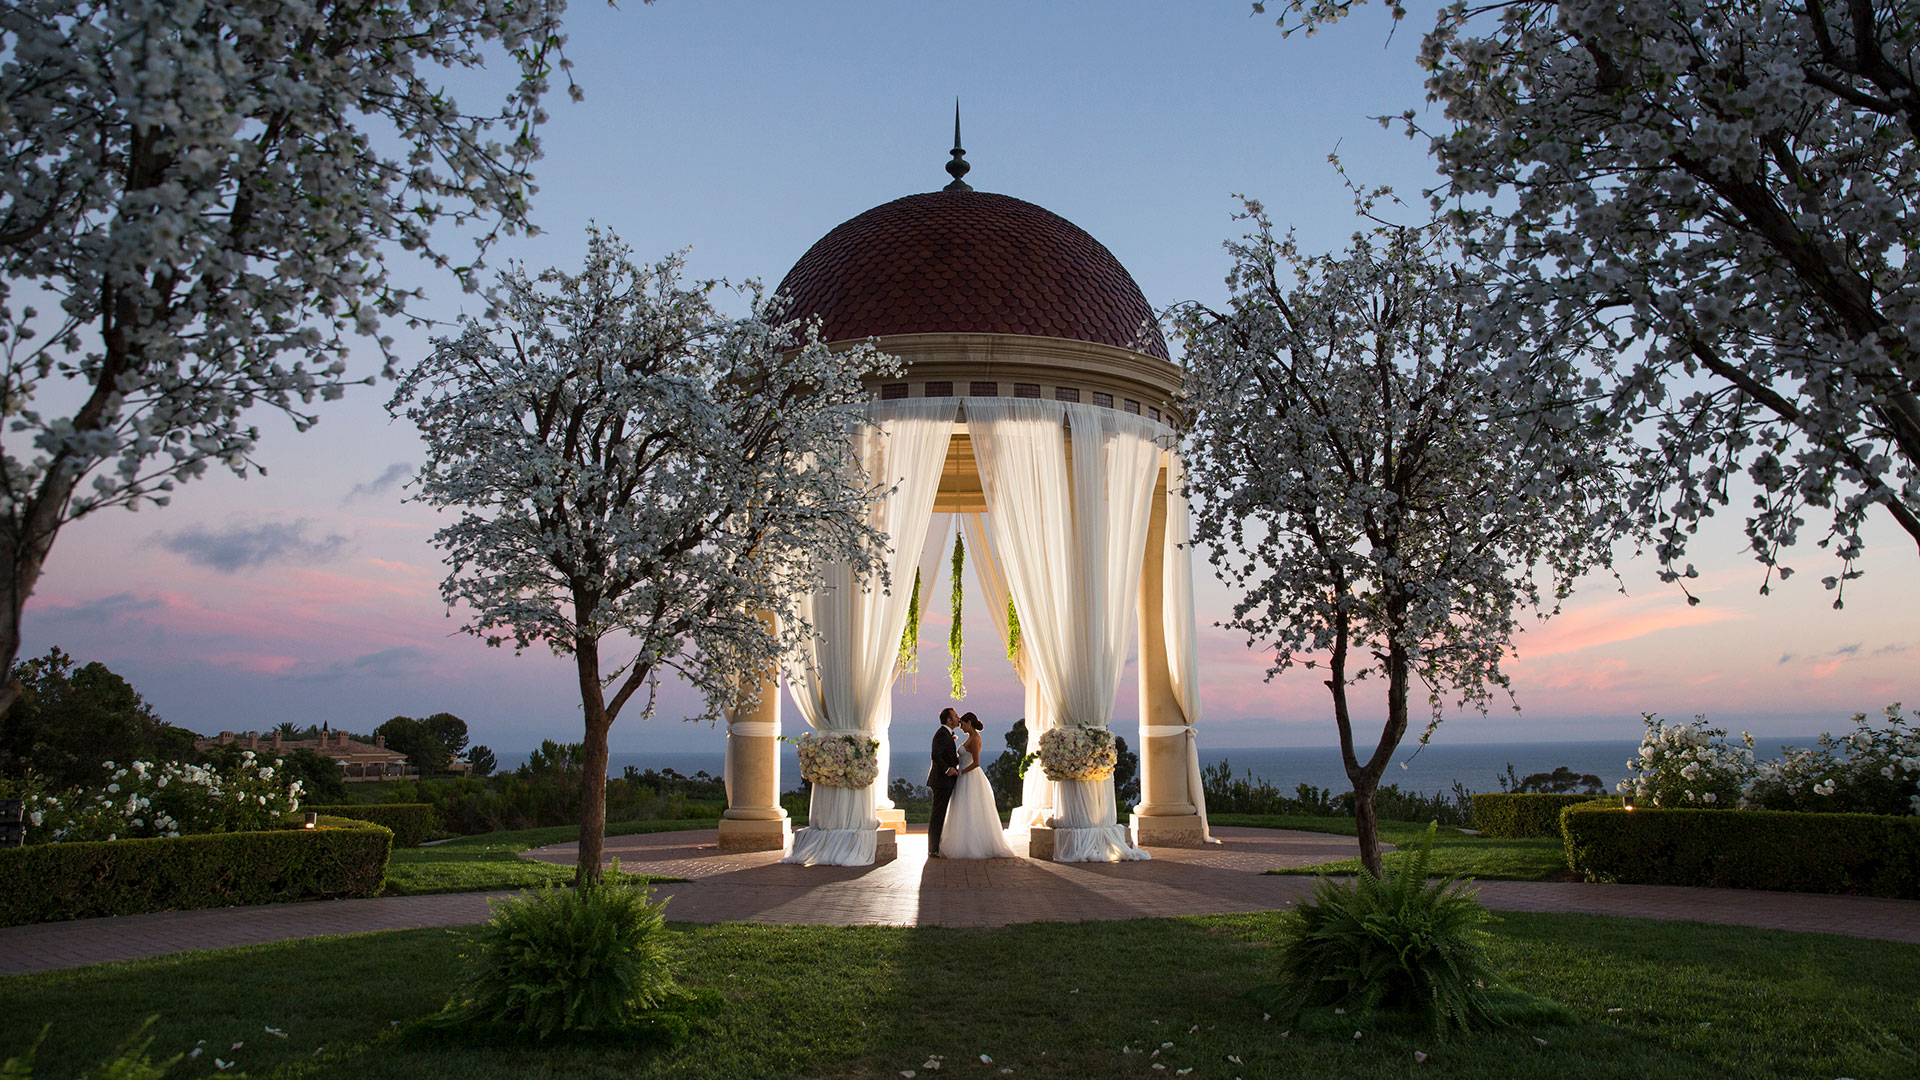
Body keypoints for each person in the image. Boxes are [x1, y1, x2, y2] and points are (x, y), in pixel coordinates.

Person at [938, 712, 1018, 859]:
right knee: (963, 809)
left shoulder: (975, 739)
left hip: (969, 777)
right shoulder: (969, 738)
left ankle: (973, 845)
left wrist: (961, 773)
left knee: (972, 808)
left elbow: (976, 763)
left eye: (962, 723)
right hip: (963, 777)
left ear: (969, 723)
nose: (961, 726)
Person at [926, 707, 961, 858]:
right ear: (949, 719)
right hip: (941, 781)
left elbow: (948, 756)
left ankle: (938, 845)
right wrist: (948, 770)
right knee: (938, 814)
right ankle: (933, 848)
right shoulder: (942, 735)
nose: (958, 718)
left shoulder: (947, 734)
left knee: (942, 813)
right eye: (955, 715)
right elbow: (936, 755)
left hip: (946, 781)